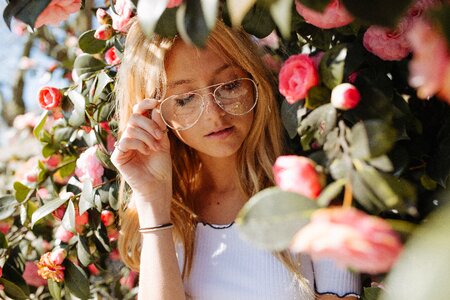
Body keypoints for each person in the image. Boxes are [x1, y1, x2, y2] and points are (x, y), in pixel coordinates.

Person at [111, 18, 361, 300]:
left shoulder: (318, 193)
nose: (214, 114)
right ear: (155, 114)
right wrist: (152, 200)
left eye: (229, 85)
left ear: (254, 80)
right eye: (185, 99)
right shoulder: (168, 218)